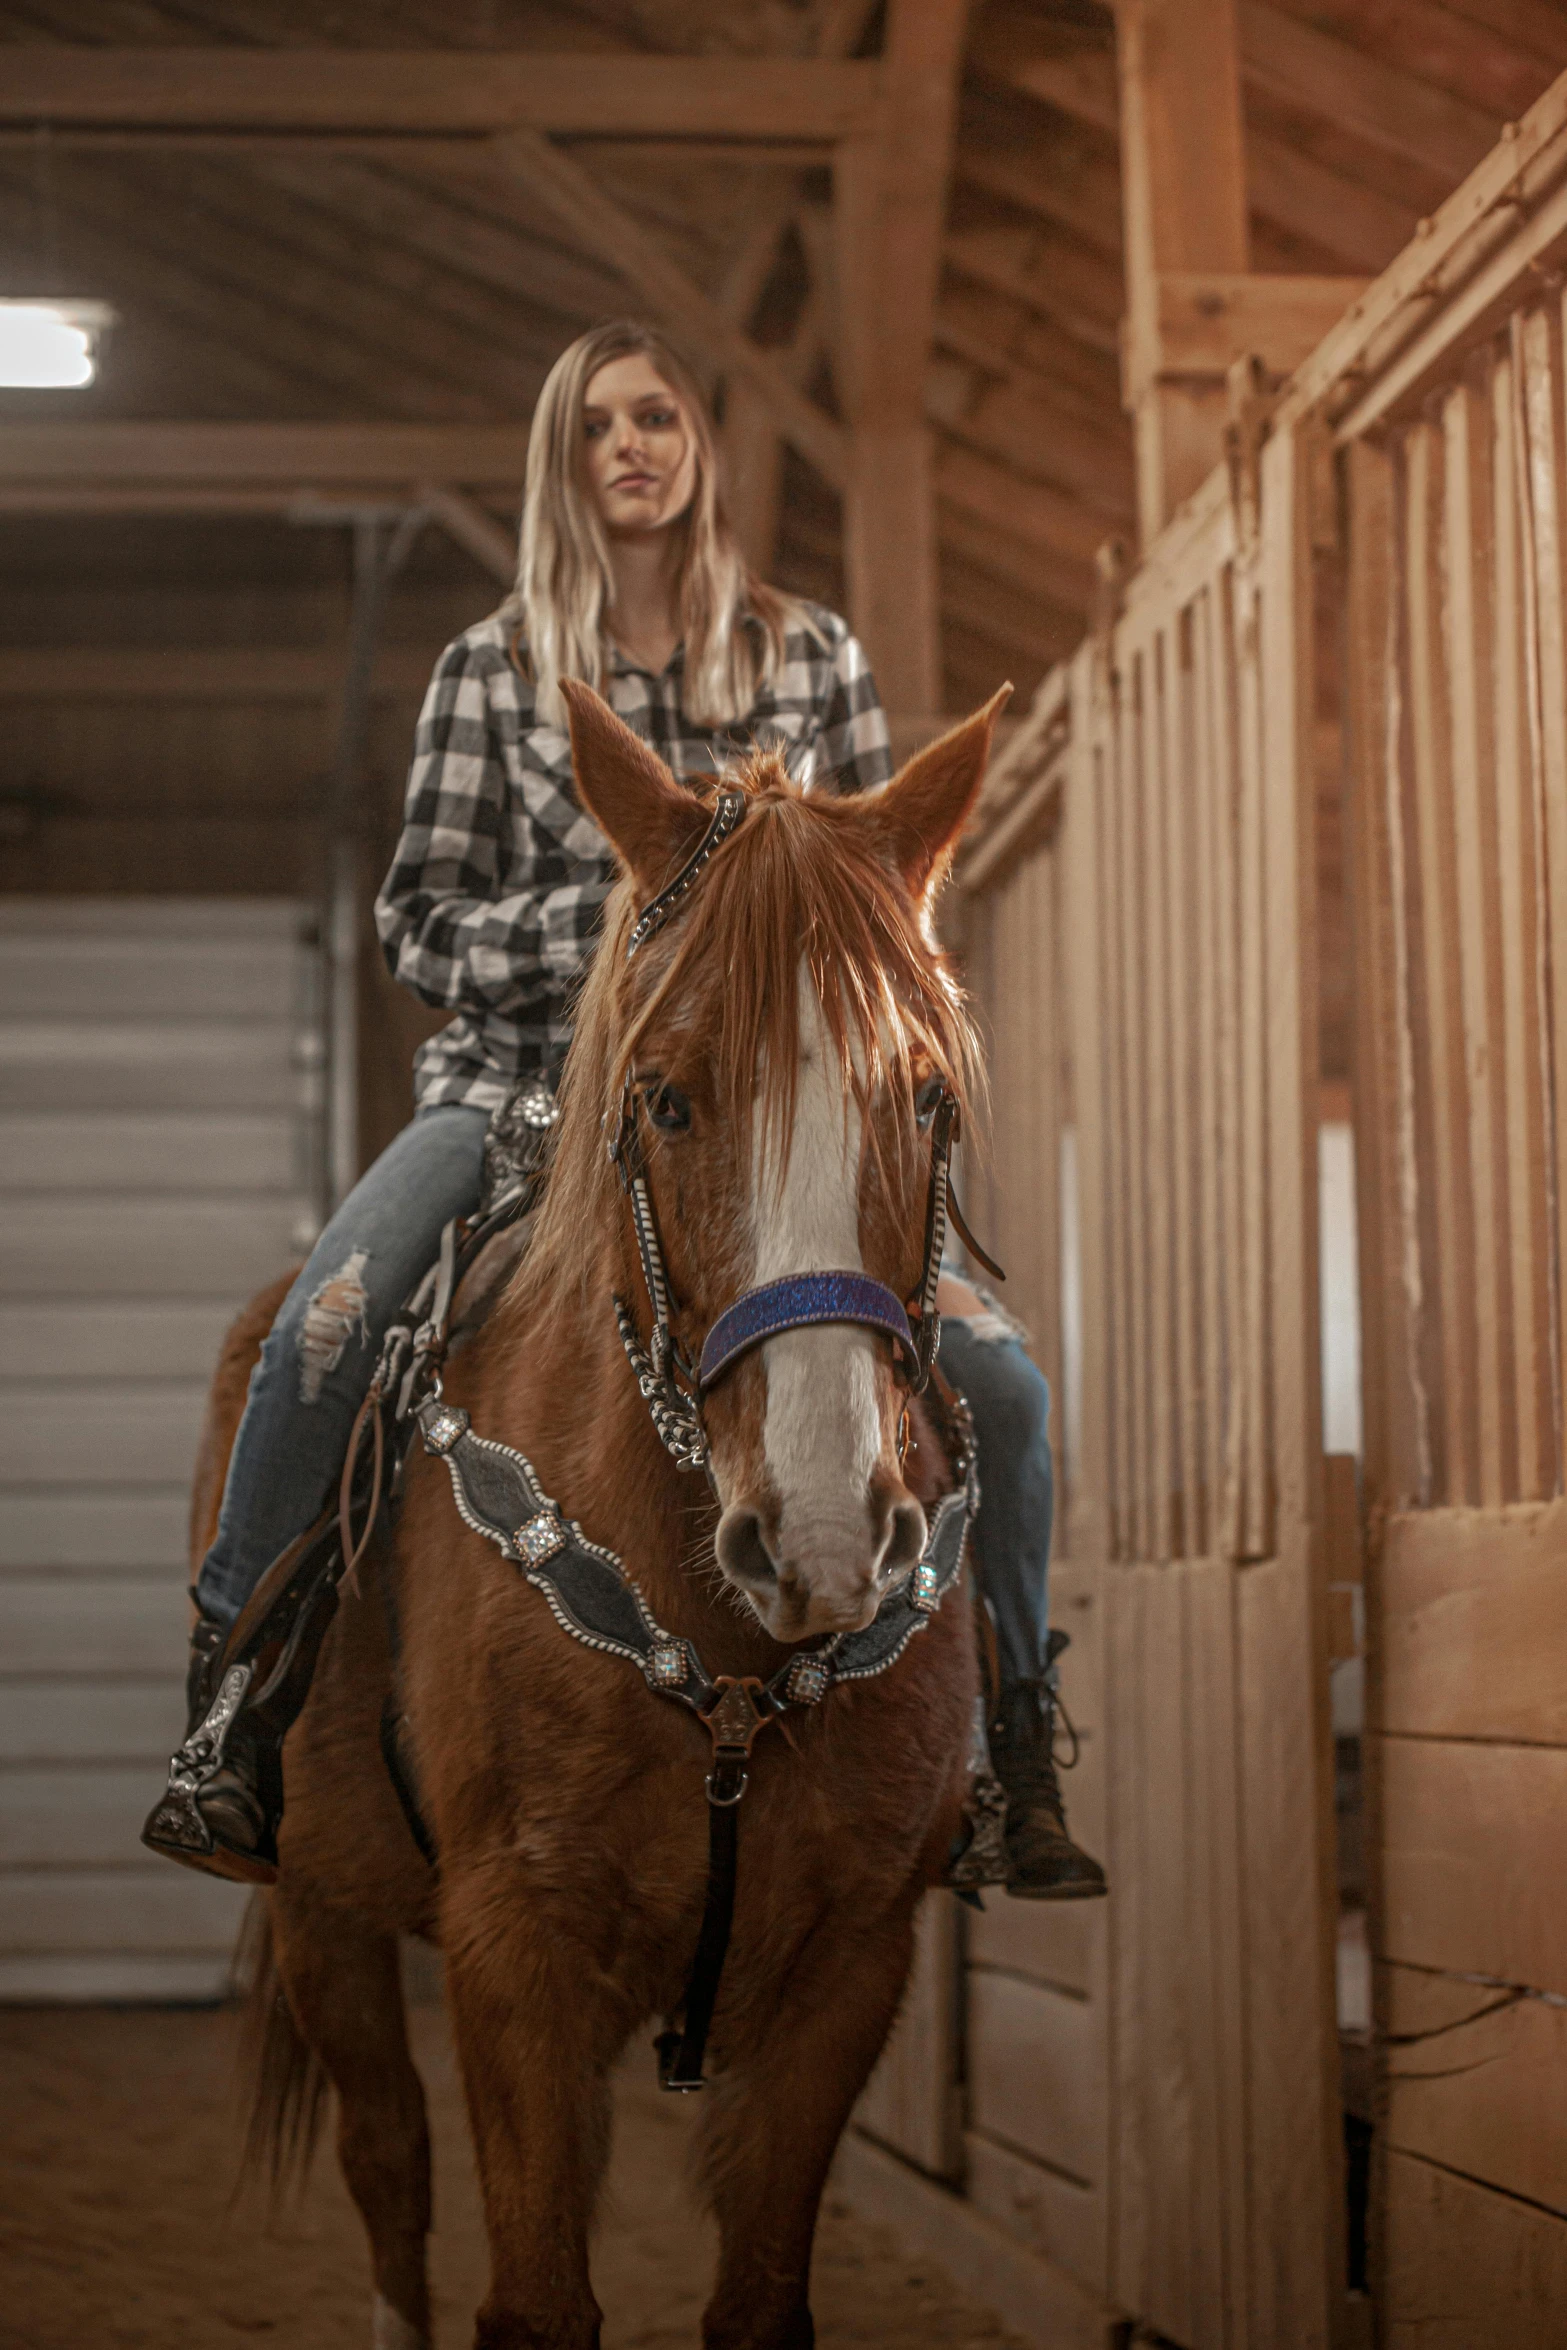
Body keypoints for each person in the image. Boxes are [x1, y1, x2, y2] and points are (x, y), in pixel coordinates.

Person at [141, 319, 1105, 1904]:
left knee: (1001, 1387)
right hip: (515, 1095)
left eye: (655, 417)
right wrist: (629, 922)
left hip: (773, 1120)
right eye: (596, 429)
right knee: (326, 1317)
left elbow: (886, 913)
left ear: (697, 445)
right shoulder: (487, 671)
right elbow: (419, 924)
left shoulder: (815, 657)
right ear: (563, 463)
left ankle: (1014, 1747)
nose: (631, 448)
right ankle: (229, 1705)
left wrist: (767, 963)